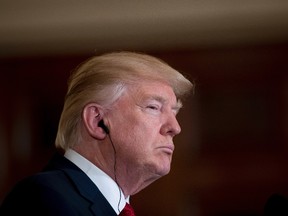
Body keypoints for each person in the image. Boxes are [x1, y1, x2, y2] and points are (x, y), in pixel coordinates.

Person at [0, 51, 193, 215]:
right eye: (153, 107)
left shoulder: (111, 205)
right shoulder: (44, 199)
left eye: (174, 112)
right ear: (98, 121)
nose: (175, 127)